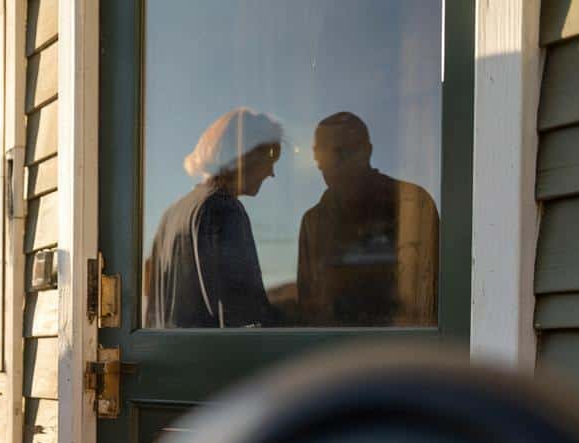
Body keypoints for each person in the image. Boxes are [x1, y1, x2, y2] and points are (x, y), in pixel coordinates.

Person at [296, 112, 440, 326]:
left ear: (367, 151)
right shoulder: (314, 222)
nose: (331, 163)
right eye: (323, 153)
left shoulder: (413, 205)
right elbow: (310, 310)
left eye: (342, 151)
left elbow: (430, 298)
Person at [145, 107, 282, 329]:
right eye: (270, 159)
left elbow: (153, 316)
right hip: (211, 361)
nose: (271, 173)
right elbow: (245, 315)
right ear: (246, 156)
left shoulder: (171, 214)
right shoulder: (223, 208)